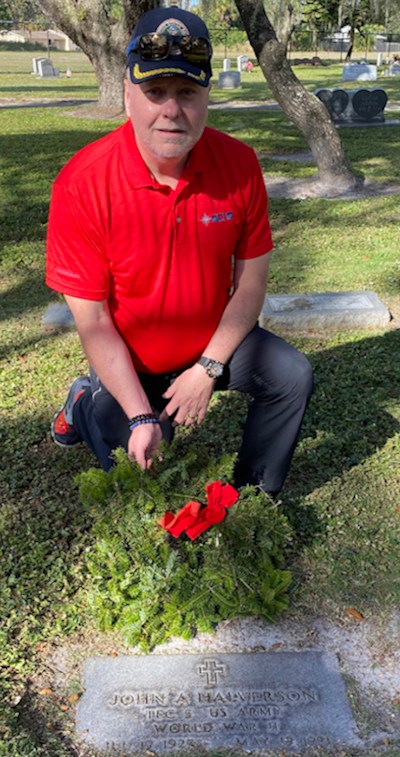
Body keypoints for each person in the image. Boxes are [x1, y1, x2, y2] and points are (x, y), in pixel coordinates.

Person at [46, 6, 313, 494]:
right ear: (129, 97)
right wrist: (140, 415)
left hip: (214, 346)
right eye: (155, 92)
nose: (171, 109)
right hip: (132, 359)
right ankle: (84, 400)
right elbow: (95, 321)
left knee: (292, 374)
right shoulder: (81, 184)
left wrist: (207, 369)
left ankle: (254, 498)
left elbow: (250, 284)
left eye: (187, 92)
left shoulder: (241, 164)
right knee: (149, 459)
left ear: (207, 96)